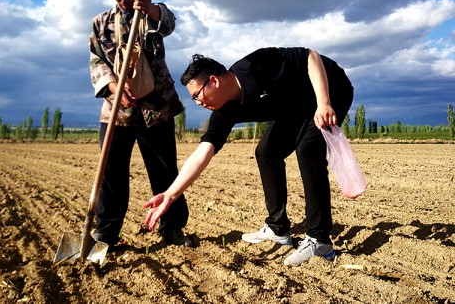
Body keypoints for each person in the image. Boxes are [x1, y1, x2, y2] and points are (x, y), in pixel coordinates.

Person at [143, 47, 354, 265]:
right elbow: (202, 154)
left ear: (214, 81)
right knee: (266, 152)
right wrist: (170, 194)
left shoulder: (257, 64)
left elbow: (312, 56)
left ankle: (320, 241)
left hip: (330, 89)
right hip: (295, 107)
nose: (198, 103)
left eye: (197, 95)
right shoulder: (224, 111)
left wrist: (324, 103)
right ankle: (277, 228)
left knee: (308, 150)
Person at [89, 0, 192, 248]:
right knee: (111, 174)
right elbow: (97, 60)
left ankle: (172, 227)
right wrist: (113, 87)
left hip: (156, 109)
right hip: (116, 111)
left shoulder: (151, 14)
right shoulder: (101, 23)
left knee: (164, 171)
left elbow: (168, 23)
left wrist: (150, 9)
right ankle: (105, 233)